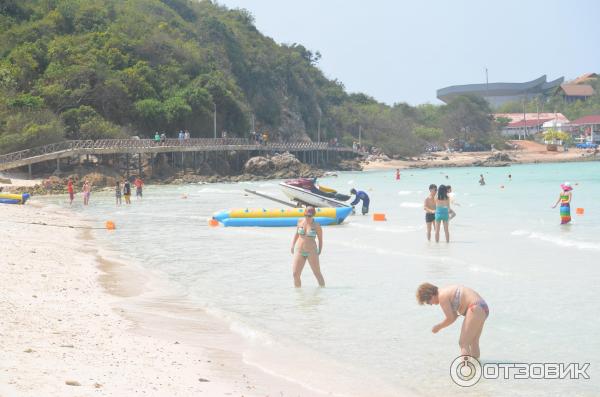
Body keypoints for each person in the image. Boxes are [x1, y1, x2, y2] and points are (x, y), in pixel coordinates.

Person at [416, 283, 489, 358]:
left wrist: (438, 327)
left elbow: (450, 318)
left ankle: (466, 368)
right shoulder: (447, 291)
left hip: (474, 308)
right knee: (474, 342)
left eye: (428, 302)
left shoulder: (442, 296)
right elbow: (454, 317)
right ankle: (476, 367)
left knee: (463, 343)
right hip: (483, 307)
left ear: (430, 295)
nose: (431, 304)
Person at [290, 206, 324, 287]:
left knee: (317, 273)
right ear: (304, 214)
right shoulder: (300, 221)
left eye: (310, 216)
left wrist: (319, 250)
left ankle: (322, 294)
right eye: (306, 215)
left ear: (313, 215)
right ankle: (299, 296)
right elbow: (297, 234)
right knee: (295, 274)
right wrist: (292, 245)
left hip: (311, 251)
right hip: (299, 250)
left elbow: (320, 239)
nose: (308, 217)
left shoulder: (317, 226)